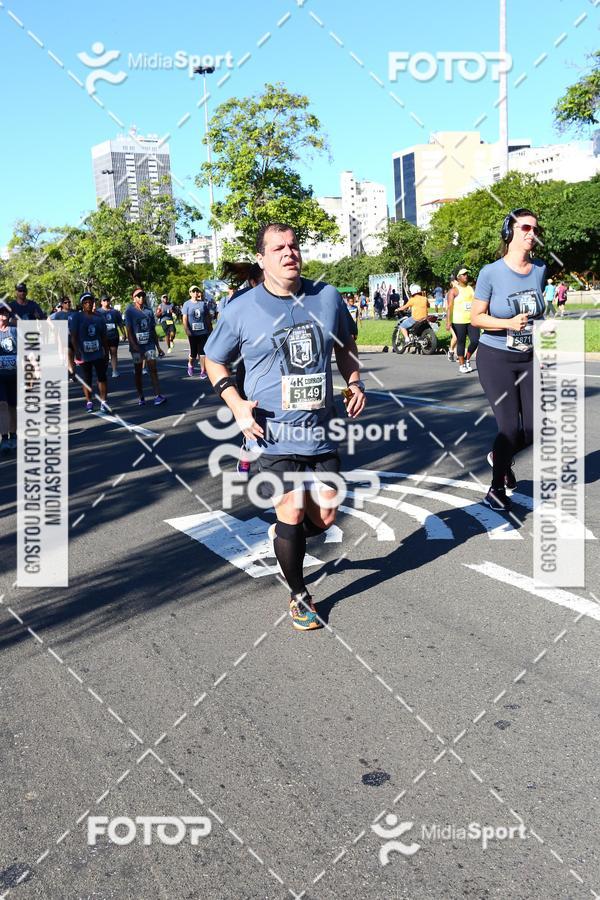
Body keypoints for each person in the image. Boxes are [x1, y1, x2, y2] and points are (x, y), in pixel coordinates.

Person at [204, 222, 366, 632]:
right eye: (278, 248)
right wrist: (236, 404)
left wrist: (354, 381)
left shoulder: (327, 297)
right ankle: (300, 595)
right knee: (291, 507)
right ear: (262, 258)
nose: (289, 253)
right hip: (269, 431)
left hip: (318, 428)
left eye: (293, 246)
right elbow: (213, 360)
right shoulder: (241, 308)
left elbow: (346, 345)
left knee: (326, 515)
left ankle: (284, 536)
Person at [471, 208, 546, 512]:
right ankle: (496, 487)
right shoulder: (491, 272)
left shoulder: (540, 269)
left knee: (534, 428)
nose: (532, 234)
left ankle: (499, 457)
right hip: (495, 357)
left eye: (536, 230)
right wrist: (508, 323)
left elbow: (538, 311)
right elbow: (476, 318)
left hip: (527, 356)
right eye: (526, 227)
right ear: (509, 232)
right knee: (508, 428)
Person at [125, 287, 166, 406]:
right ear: (134, 298)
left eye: (143, 295)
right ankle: (141, 396)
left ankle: (157, 395)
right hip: (136, 348)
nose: (141, 298)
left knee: (153, 369)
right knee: (138, 371)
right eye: (138, 296)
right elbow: (129, 330)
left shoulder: (148, 311)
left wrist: (158, 347)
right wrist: (133, 345)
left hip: (149, 345)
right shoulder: (129, 311)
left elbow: (152, 330)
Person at [70, 292, 110, 413]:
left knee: (102, 377)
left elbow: (103, 336)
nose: (88, 304)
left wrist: (106, 351)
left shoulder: (99, 318)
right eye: (85, 302)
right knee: (87, 378)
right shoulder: (77, 317)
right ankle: (89, 401)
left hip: (98, 352)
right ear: (82, 304)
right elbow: (73, 336)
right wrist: (76, 350)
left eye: (90, 301)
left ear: (93, 303)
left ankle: (104, 402)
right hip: (84, 354)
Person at [446, 268, 479, 374]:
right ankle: (461, 365)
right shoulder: (454, 290)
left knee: (475, 340)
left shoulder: (470, 288)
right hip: (458, 320)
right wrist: (448, 321)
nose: (466, 276)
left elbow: (475, 303)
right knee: (461, 342)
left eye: (466, 274)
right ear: (458, 278)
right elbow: (449, 307)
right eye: (463, 274)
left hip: (471, 320)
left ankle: (467, 359)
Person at [182, 285, 212, 378]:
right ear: (190, 293)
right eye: (193, 291)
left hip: (203, 331)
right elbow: (184, 318)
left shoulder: (203, 304)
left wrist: (210, 327)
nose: (195, 293)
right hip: (193, 333)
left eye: (196, 291)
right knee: (194, 354)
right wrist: (187, 329)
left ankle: (203, 371)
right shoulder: (187, 304)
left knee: (203, 352)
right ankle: (190, 364)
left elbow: (207, 316)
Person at [0, 305, 17, 451]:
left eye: (5, 312)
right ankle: (4, 439)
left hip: (15, 375)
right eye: (1, 312)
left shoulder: (15, 331)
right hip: (1, 377)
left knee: (12, 407)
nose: (3, 314)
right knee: (2, 405)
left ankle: (14, 436)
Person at [97, 295, 126, 377]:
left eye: (107, 300)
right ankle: (104, 370)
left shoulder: (115, 312)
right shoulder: (98, 312)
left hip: (113, 336)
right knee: (105, 355)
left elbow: (120, 324)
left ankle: (114, 371)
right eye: (104, 300)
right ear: (101, 302)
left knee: (113, 353)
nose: (106, 302)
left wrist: (124, 333)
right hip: (103, 337)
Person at [50, 296, 76, 379]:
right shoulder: (58, 315)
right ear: (62, 304)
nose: (68, 303)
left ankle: (72, 370)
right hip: (64, 338)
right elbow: (49, 321)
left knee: (72, 356)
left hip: (74, 338)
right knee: (68, 353)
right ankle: (71, 372)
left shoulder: (74, 313)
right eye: (65, 302)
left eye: (69, 302)